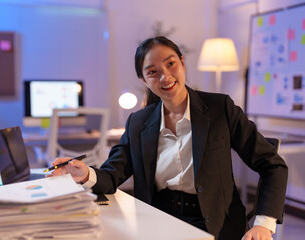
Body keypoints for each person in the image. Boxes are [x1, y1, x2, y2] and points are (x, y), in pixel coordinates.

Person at [48, 36, 288, 240]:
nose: (165, 77)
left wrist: (263, 224)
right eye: (152, 72)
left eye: (171, 64)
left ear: (182, 63)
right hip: (157, 222)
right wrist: (85, 173)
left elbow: (272, 165)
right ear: (144, 80)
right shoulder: (138, 123)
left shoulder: (219, 109)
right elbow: (112, 176)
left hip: (217, 226)